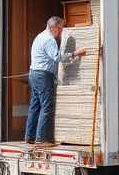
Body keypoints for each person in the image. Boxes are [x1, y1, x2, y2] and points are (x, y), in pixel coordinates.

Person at [25, 16, 86, 146]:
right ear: (54, 27)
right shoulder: (49, 40)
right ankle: (41, 139)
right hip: (43, 76)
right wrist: (75, 53)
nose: (61, 32)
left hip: (34, 74)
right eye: (60, 28)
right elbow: (58, 58)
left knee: (35, 106)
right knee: (46, 106)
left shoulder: (40, 36)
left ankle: (29, 136)